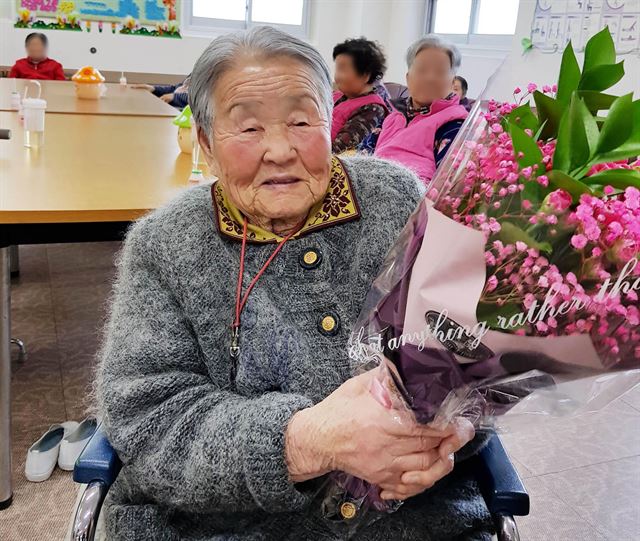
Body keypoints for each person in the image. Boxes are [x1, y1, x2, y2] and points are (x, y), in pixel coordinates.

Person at [96, 26, 493, 540]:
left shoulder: (397, 201)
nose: (280, 150)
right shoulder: (165, 245)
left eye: (302, 120)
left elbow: (478, 349)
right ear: (205, 143)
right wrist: (306, 440)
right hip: (226, 525)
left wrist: (458, 425)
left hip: (408, 520)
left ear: (333, 125)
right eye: (249, 129)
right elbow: (149, 420)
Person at [374, 35, 469, 185]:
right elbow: (362, 154)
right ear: (408, 78)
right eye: (422, 70)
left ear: (452, 83)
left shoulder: (455, 125)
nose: (430, 78)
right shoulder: (392, 116)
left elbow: (447, 187)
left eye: (440, 72)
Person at [331, 38, 390, 154]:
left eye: (342, 69)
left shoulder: (372, 109)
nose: (337, 76)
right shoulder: (338, 96)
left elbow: (338, 149)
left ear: (365, 75)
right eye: (337, 69)